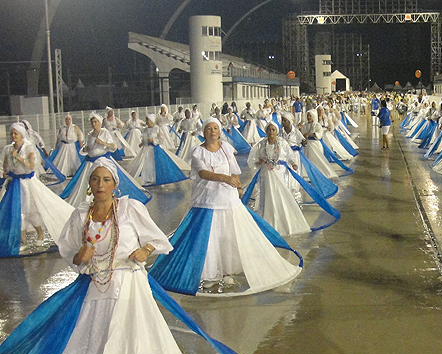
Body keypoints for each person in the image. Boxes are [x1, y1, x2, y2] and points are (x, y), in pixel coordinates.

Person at [0, 158, 255, 354]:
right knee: (93, 342)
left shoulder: (130, 208)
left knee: (133, 343)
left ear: (115, 184)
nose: (100, 185)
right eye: (95, 180)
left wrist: (144, 250)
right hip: (96, 288)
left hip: (130, 286)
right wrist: (82, 256)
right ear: (89, 185)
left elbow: (158, 240)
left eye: (106, 180)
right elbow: (71, 254)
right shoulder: (81, 215)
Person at [149, 118, 302, 295]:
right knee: (210, 237)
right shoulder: (198, 152)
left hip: (228, 200)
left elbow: (234, 170)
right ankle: (212, 274)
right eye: (209, 128)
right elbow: (203, 172)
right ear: (204, 132)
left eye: (215, 128)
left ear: (219, 131)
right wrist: (225, 178)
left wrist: (237, 186)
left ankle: (227, 271)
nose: (212, 131)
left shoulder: (227, 149)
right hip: (206, 201)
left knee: (228, 235)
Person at [0, 122, 74, 255]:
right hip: (15, 183)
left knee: (31, 210)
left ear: (21, 135)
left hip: (27, 183)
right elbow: (5, 164)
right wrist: (6, 172)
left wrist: (18, 157)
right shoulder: (8, 149)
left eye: (16, 133)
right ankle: (23, 241)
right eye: (12, 133)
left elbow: (31, 166)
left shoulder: (28, 148)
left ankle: (40, 234)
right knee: (18, 211)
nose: (13, 136)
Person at [61, 112, 151, 207]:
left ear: (99, 123)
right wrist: (85, 149)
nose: (94, 124)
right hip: (90, 162)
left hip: (102, 161)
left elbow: (113, 147)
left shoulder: (105, 132)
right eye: (92, 122)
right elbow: (89, 147)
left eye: (96, 122)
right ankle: (88, 202)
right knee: (87, 183)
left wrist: (103, 142)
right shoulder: (90, 134)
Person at [129, 114, 189, 186]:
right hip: (147, 149)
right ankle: (148, 178)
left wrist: (153, 140)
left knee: (155, 163)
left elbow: (161, 139)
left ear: (152, 121)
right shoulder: (145, 129)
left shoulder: (157, 129)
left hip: (154, 149)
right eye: (146, 120)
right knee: (147, 164)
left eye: (148, 120)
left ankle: (155, 177)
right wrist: (143, 143)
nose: (147, 122)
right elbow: (144, 138)